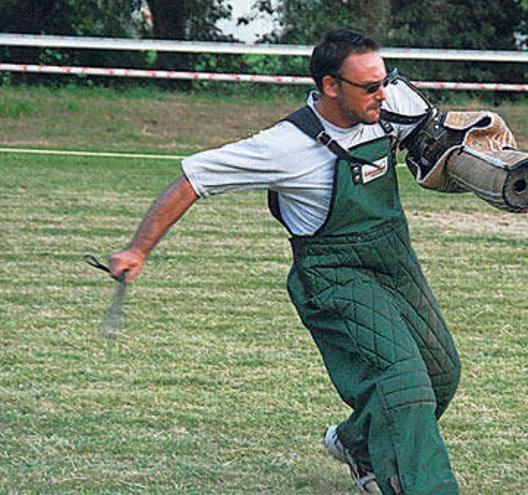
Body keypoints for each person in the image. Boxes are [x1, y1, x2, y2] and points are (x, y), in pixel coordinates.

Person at [109, 29, 462, 494]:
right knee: (405, 380)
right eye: (370, 86)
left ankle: (356, 443)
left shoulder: (390, 104)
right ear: (331, 86)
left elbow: (446, 142)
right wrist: (139, 249)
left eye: (385, 79)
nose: (384, 93)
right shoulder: (285, 146)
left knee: (441, 374)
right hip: (334, 275)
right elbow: (192, 179)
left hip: (395, 263)